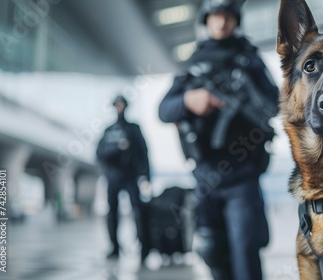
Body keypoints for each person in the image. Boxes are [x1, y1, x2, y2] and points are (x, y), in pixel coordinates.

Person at [158, 0, 279, 279]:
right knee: (212, 252)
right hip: (205, 176)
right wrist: (190, 99)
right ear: (206, 19)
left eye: (228, 16)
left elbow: (275, 104)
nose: (222, 22)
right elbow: (164, 110)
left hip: (242, 176)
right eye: (216, 16)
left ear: (236, 20)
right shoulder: (194, 61)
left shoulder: (249, 59)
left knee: (245, 252)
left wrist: (246, 93)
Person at [96, 95, 151, 263]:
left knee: (139, 211)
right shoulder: (109, 130)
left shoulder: (134, 129)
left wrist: (147, 177)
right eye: (117, 104)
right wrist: (118, 148)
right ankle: (114, 248)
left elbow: (144, 152)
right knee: (112, 213)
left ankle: (144, 248)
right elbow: (100, 154)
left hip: (131, 176)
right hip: (113, 177)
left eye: (122, 104)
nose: (119, 107)